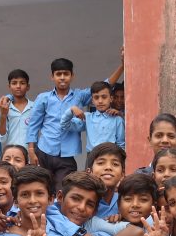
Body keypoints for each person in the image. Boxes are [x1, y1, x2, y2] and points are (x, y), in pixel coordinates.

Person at [27, 54, 125, 191]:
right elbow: (33, 125)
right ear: (52, 76)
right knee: (41, 188)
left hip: (67, 155)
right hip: (44, 150)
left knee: (64, 190)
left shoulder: (80, 96)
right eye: (58, 74)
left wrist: (122, 65)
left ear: (72, 76)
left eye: (66, 74)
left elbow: (105, 86)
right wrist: (31, 150)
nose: (62, 77)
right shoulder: (43, 98)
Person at [63, 81, 125, 151]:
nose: (100, 101)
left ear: (111, 99)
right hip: (92, 157)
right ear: (92, 100)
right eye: (96, 97)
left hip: (110, 157)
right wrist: (71, 109)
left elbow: (121, 145)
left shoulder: (117, 119)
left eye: (104, 97)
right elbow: (65, 125)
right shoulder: (87, 118)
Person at [0, 69, 34, 150]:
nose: (18, 86)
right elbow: (2, 138)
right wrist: (3, 115)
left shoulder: (35, 107)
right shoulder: (5, 107)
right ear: (9, 87)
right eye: (14, 83)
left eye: (22, 83)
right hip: (10, 155)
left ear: (28, 87)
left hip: (31, 154)